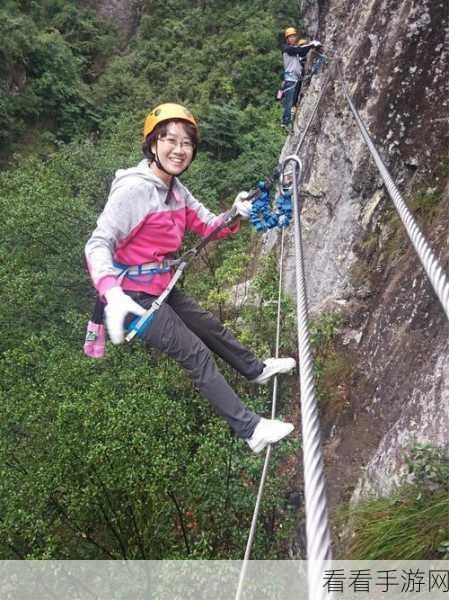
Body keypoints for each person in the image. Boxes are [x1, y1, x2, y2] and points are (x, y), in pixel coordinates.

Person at [85, 103, 296, 454]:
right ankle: (251, 430)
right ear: (153, 144)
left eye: (186, 143)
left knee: (208, 327)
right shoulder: (135, 191)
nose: (179, 149)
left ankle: (255, 369)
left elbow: (210, 227)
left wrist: (236, 211)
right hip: (132, 299)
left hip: (159, 288)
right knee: (196, 354)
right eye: (169, 140)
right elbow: (97, 243)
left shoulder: (176, 190)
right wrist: (111, 291)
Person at [281, 27, 321, 131]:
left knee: (293, 101)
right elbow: (299, 50)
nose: (292, 38)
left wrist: (311, 47)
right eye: (290, 37)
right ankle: (285, 122)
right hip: (290, 79)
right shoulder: (287, 49)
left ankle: (290, 122)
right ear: (287, 39)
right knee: (289, 102)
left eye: (293, 36)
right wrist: (312, 44)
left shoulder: (295, 50)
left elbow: (302, 52)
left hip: (296, 79)